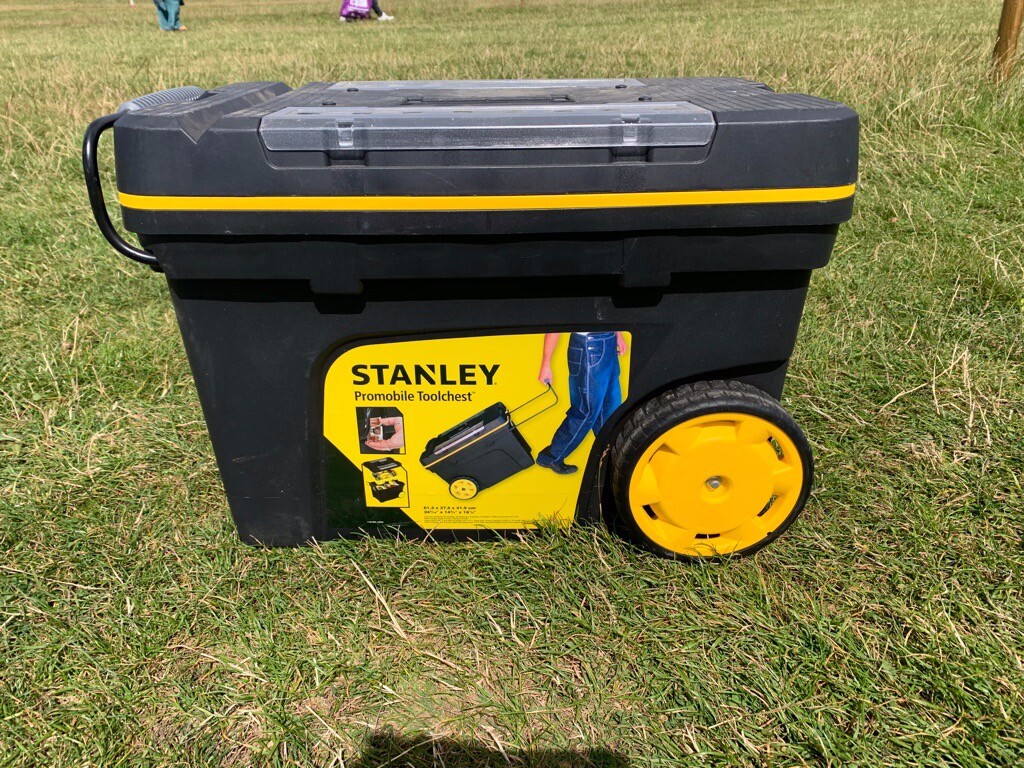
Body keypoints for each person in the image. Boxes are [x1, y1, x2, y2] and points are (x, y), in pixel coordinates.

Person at [536, 332, 627, 474]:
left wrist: (617, 334)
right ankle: (551, 457)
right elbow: (555, 322)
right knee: (585, 410)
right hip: (589, 347)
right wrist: (546, 363)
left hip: (608, 341)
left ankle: (609, 456)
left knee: (610, 408)